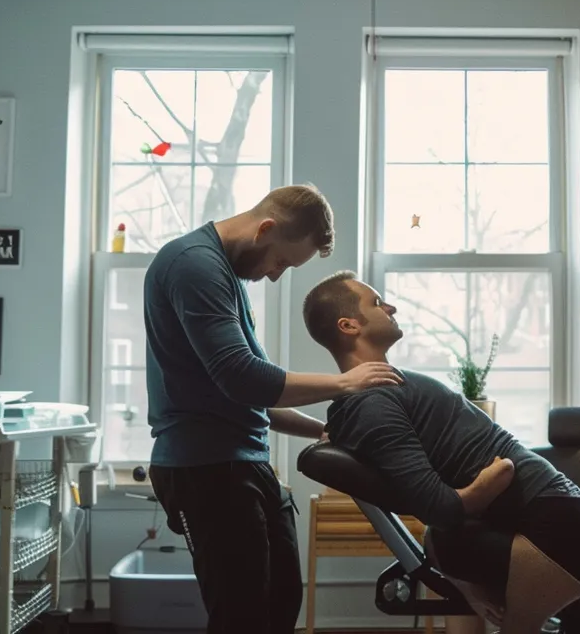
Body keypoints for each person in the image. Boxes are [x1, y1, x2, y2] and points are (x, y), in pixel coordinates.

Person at [144, 185, 403, 634]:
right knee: (241, 617)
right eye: (281, 261)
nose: (276, 275)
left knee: (281, 602)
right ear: (266, 229)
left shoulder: (223, 275)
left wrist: (323, 432)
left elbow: (248, 396)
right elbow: (243, 376)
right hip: (204, 468)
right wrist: (345, 383)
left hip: (243, 463)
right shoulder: (195, 266)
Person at [300, 270, 580, 634]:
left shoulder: (381, 392)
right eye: (377, 303)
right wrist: (488, 483)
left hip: (555, 522)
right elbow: (439, 508)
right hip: (551, 522)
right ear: (349, 326)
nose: (390, 306)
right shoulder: (372, 403)